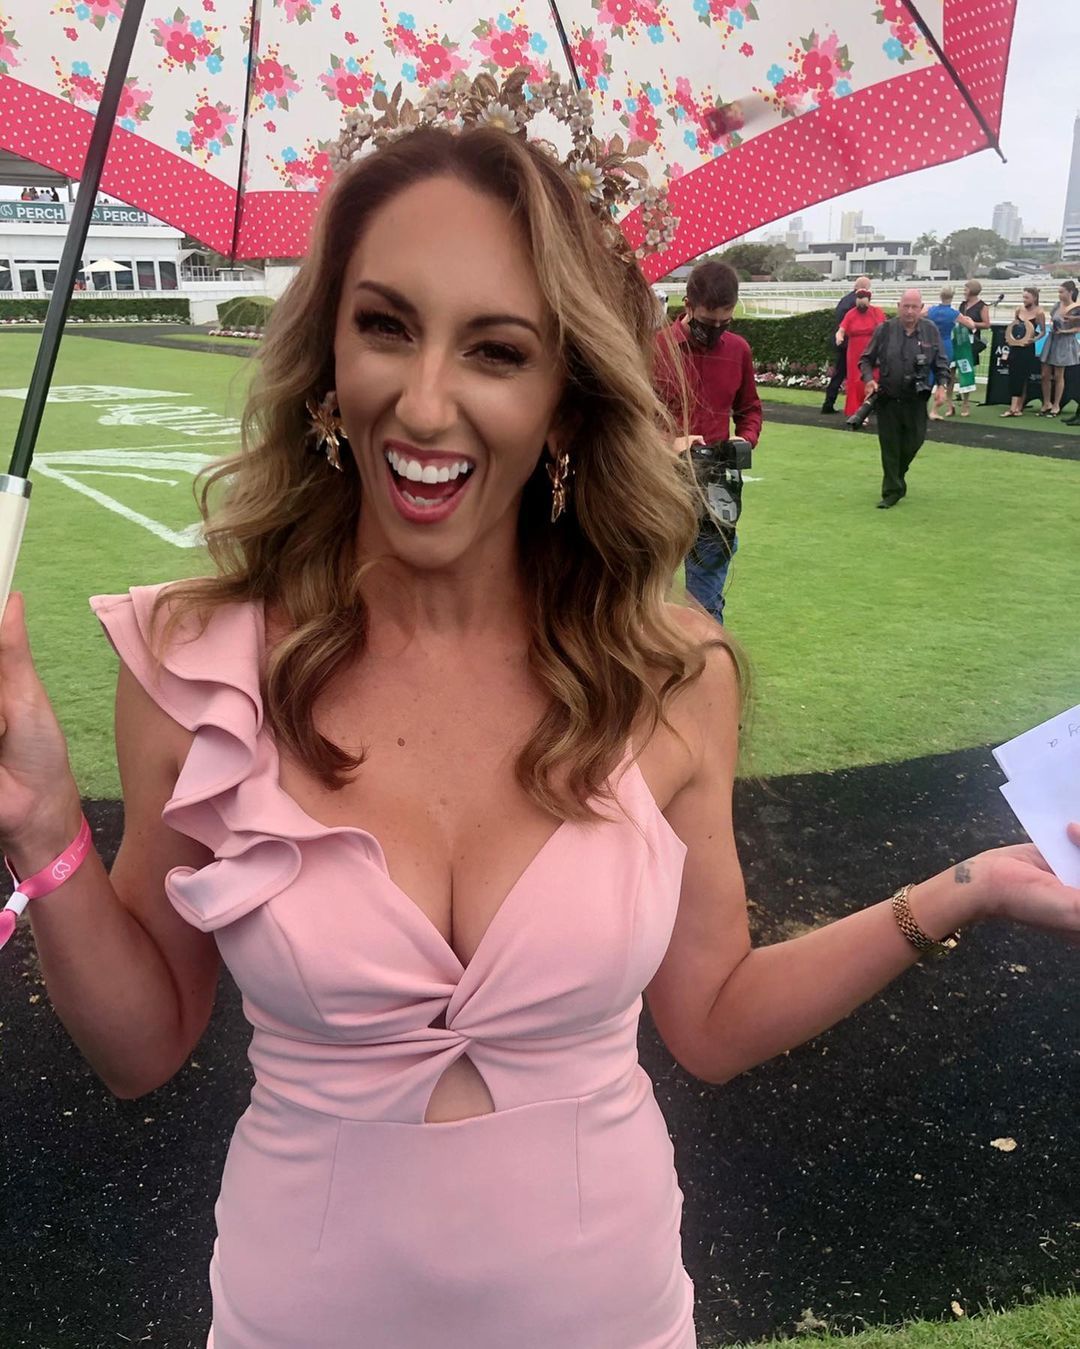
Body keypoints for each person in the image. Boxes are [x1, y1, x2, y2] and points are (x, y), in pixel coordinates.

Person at [1, 72, 1078, 1349]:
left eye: (497, 349)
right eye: (386, 325)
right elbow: (142, 1045)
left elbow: (713, 1018)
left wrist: (966, 886)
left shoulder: (671, 675)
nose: (425, 401)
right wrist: (42, 821)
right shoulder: (200, 666)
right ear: (329, 358)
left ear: (566, 395)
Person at [654, 258, 761, 625]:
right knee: (647, 597)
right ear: (688, 305)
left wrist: (744, 439)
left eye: (723, 323)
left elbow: (750, 409)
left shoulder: (738, 351)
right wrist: (669, 442)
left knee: (706, 607)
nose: (714, 331)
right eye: (706, 322)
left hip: (715, 487)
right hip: (661, 484)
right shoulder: (656, 350)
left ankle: (705, 658)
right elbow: (631, 420)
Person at [859, 289, 950, 508]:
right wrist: (869, 379)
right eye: (906, 306)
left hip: (916, 399)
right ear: (899, 306)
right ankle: (891, 491)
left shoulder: (930, 330)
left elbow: (941, 362)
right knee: (890, 447)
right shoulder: (885, 330)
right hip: (888, 399)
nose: (909, 311)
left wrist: (942, 386)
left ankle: (898, 476)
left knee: (913, 443)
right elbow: (866, 360)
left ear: (921, 308)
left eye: (914, 307)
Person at [820, 275, 871, 414]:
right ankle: (864, 406)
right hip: (851, 345)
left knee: (839, 374)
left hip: (842, 342)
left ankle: (829, 403)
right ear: (864, 288)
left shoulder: (845, 299)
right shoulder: (857, 303)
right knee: (860, 375)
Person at [836, 281, 885, 418]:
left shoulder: (876, 312)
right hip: (854, 352)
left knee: (872, 377)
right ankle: (855, 410)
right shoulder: (851, 314)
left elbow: (884, 329)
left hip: (871, 351)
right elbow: (841, 329)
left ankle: (868, 408)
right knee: (855, 380)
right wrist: (839, 337)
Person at [1000, 286, 1048, 417]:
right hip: (1015, 346)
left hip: (1027, 347)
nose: (1024, 300)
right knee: (1014, 375)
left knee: (1023, 376)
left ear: (1034, 298)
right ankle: (1013, 407)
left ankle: (1018, 407)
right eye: (1023, 297)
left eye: (1027, 297)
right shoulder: (1019, 310)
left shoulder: (1039, 313)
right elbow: (1015, 326)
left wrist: (1033, 339)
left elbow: (1043, 331)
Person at [1037, 280, 1080, 417]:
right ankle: (1046, 403)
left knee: (1058, 375)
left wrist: (1066, 330)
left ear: (1070, 292)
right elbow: (1053, 319)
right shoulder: (1057, 305)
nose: (1059, 295)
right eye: (1058, 292)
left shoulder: (1076, 308)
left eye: (1062, 292)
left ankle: (1056, 405)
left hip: (1065, 341)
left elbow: (1078, 328)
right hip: (1052, 339)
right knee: (1045, 374)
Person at [954, 279, 991, 416]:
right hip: (958, 340)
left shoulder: (982, 306)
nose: (964, 292)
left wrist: (972, 323)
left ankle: (966, 403)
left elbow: (986, 324)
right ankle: (950, 402)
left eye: (966, 289)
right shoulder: (962, 305)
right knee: (952, 371)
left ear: (972, 290)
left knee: (967, 371)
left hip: (971, 342)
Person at [924, 286, 960, 419]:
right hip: (946, 344)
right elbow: (970, 324)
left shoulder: (931, 310)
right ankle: (934, 410)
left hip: (931, 344)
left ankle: (923, 408)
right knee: (942, 376)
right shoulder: (954, 313)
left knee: (928, 376)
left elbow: (919, 315)